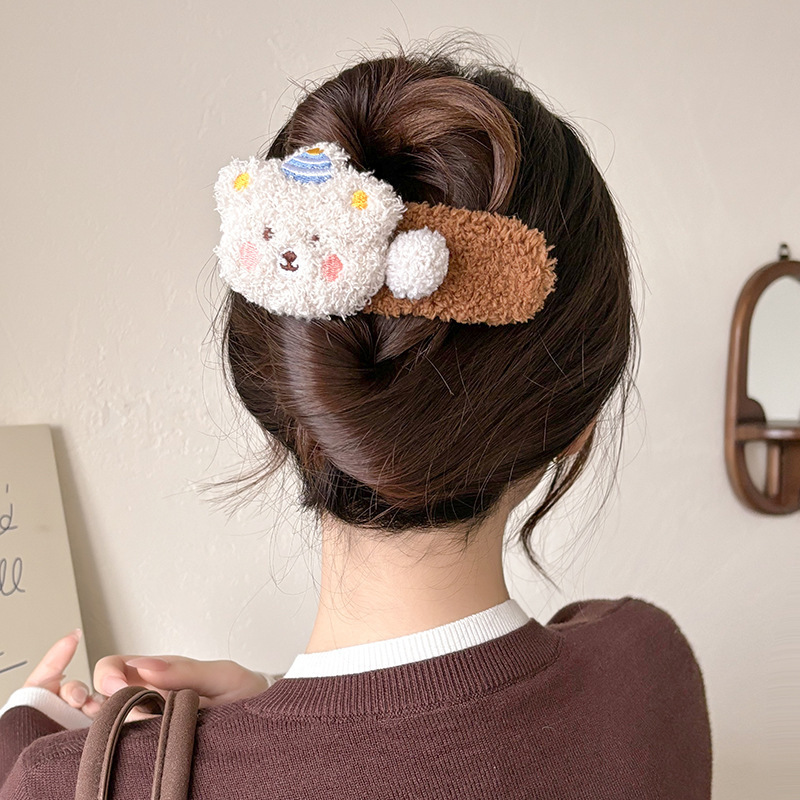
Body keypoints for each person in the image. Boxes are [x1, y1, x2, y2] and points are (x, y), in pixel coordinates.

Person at [0, 36, 712, 799]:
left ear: (285, 391)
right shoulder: (648, 671)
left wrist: (23, 730)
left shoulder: (77, 781)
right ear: (577, 422)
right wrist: (265, 707)